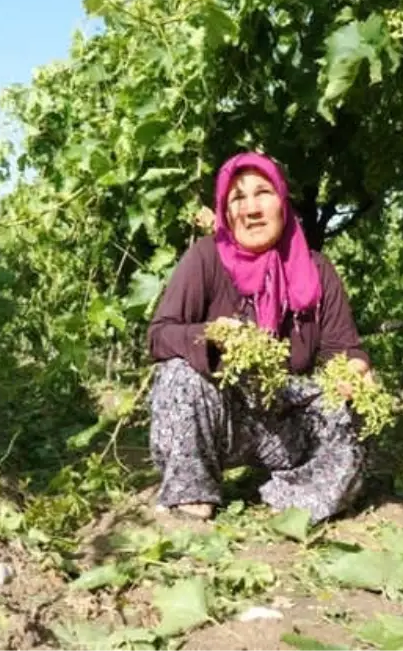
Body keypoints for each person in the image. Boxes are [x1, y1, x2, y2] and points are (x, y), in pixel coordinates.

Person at [147, 151, 372, 523]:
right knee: (179, 375)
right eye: (237, 198)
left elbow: (342, 348)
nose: (251, 208)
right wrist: (211, 335)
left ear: (282, 201)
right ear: (226, 210)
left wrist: (355, 369)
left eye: (263, 192)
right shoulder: (205, 258)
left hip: (285, 423)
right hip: (222, 421)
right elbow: (159, 335)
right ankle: (191, 492)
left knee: (356, 408)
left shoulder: (317, 269)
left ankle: (295, 496)